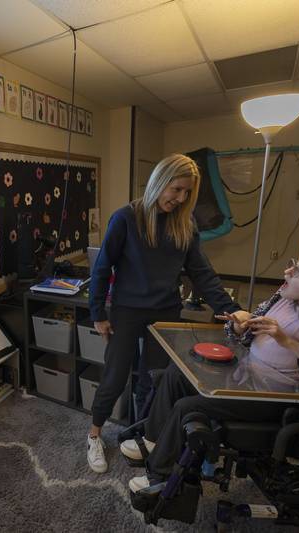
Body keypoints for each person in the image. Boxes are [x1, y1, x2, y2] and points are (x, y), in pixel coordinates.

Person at [126, 246, 299, 491]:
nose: (287, 271)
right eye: (292, 264)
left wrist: (288, 342)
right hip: (248, 378)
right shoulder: (283, 297)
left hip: (277, 398)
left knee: (188, 407)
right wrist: (239, 327)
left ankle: (159, 477)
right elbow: (245, 335)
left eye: (298, 271)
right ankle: (152, 440)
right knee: (175, 374)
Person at [86, 153, 240, 473]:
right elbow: (102, 269)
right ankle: (94, 435)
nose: (181, 198)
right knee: (114, 379)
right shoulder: (126, 218)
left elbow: (202, 274)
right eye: (177, 190)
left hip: (166, 311)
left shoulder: (186, 223)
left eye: (187, 193)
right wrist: (98, 312)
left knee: (152, 382)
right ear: (161, 181)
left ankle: (143, 435)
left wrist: (233, 311)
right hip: (127, 310)